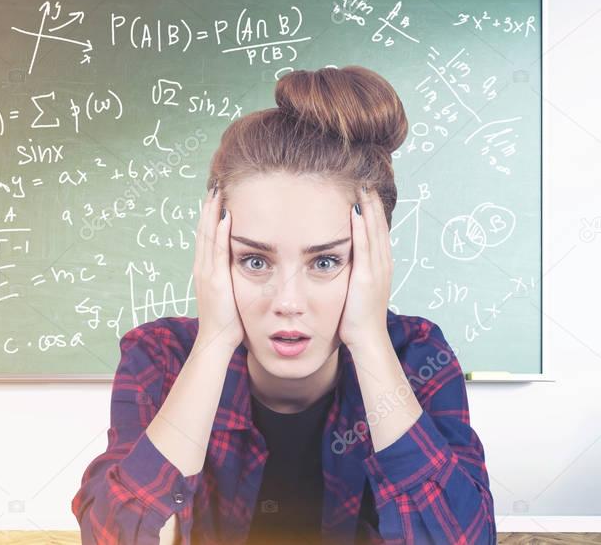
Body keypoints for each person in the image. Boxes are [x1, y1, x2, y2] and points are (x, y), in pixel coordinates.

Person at [70, 66, 496, 544]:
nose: (288, 302)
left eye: (326, 261)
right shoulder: (161, 356)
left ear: (374, 260)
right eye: (254, 260)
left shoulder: (417, 357)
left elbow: (465, 539)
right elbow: (115, 536)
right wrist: (213, 342)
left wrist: (370, 338)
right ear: (216, 256)